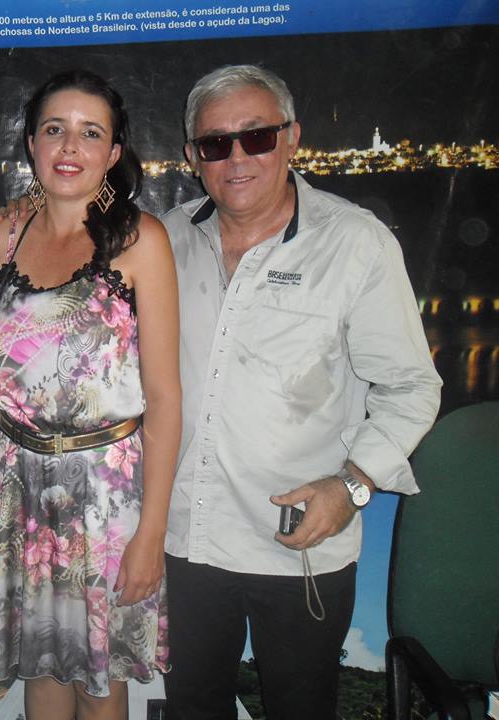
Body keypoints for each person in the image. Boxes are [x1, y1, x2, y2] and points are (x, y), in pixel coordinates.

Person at [160, 64, 442, 719]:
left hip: (302, 545)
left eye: (257, 137)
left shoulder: (355, 243)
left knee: (301, 708)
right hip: (185, 539)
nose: (236, 158)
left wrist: (353, 486)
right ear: (192, 156)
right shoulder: (165, 239)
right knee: (191, 707)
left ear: (292, 138)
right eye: (215, 143)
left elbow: (410, 387)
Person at [0, 70, 182, 720]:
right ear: (31, 144)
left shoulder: (140, 242)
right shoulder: (1, 241)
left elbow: (165, 398)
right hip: (23, 488)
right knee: (40, 673)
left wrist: (151, 532)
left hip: (106, 498)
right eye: (55, 129)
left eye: (90, 133)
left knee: (99, 685)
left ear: (113, 152)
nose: (70, 146)